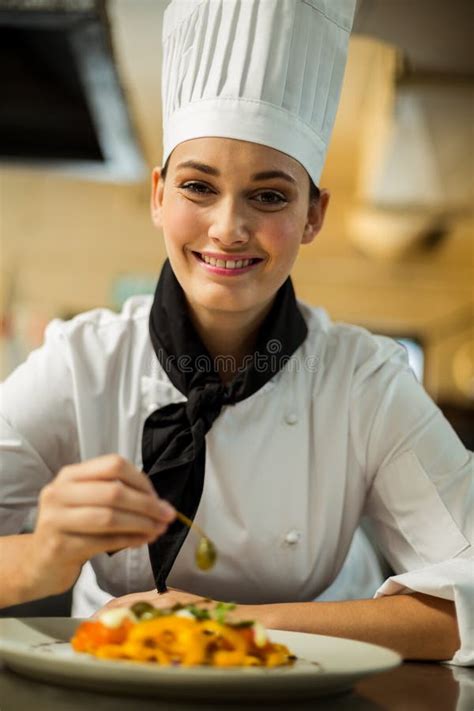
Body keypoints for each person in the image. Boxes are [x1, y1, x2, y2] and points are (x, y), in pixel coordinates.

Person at [0, 0, 472, 665]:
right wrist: (42, 559)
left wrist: (220, 621)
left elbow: (467, 595)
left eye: (270, 195)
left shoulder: (364, 381)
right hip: (106, 686)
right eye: (199, 187)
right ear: (160, 194)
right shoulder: (81, 361)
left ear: (314, 214)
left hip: (301, 683)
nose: (229, 227)